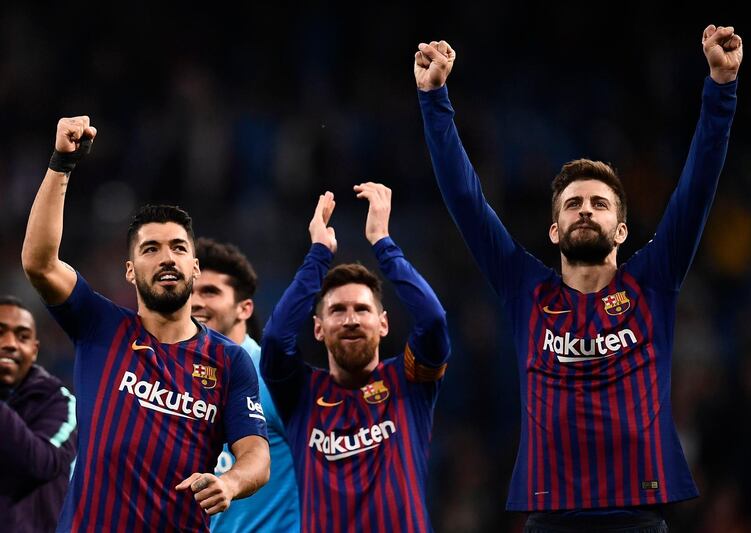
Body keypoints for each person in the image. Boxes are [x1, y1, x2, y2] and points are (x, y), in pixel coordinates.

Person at [414, 24, 742, 532]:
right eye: (573, 204)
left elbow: (698, 185)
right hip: (551, 518)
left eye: (599, 204)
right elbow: (466, 202)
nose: (585, 211)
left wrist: (721, 87)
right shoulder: (526, 289)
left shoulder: (653, 281)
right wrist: (434, 99)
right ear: (553, 228)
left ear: (622, 228)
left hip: (638, 516)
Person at [21, 118, 270, 532]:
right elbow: (39, 263)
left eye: (178, 247)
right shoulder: (99, 324)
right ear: (131, 271)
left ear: (194, 266)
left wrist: (230, 483)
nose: (166, 258)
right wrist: (61, 164)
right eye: (151, 249)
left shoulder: (229, 361)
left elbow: (256, 453)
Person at [261, 183, 450, 532]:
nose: (350, 319)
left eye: (362, 309)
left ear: (383, 324)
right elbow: (275, 338)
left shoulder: (409, 382)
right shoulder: (300, 394)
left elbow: (433, 320)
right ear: (318, 328)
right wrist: (318, 253)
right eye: (337, 310)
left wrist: (383, 241)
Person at [192, 238, 300, 533]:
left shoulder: (276, 378)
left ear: (245, 308)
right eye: (190, 292)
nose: (196, 302)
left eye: (210, 292)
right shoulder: (179, 382)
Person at [0, 295, 77, 533]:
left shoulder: (59, 402)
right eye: (0, 332)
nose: (11, 343)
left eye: (22, 337)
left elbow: (41, 463)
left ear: (34, 351)